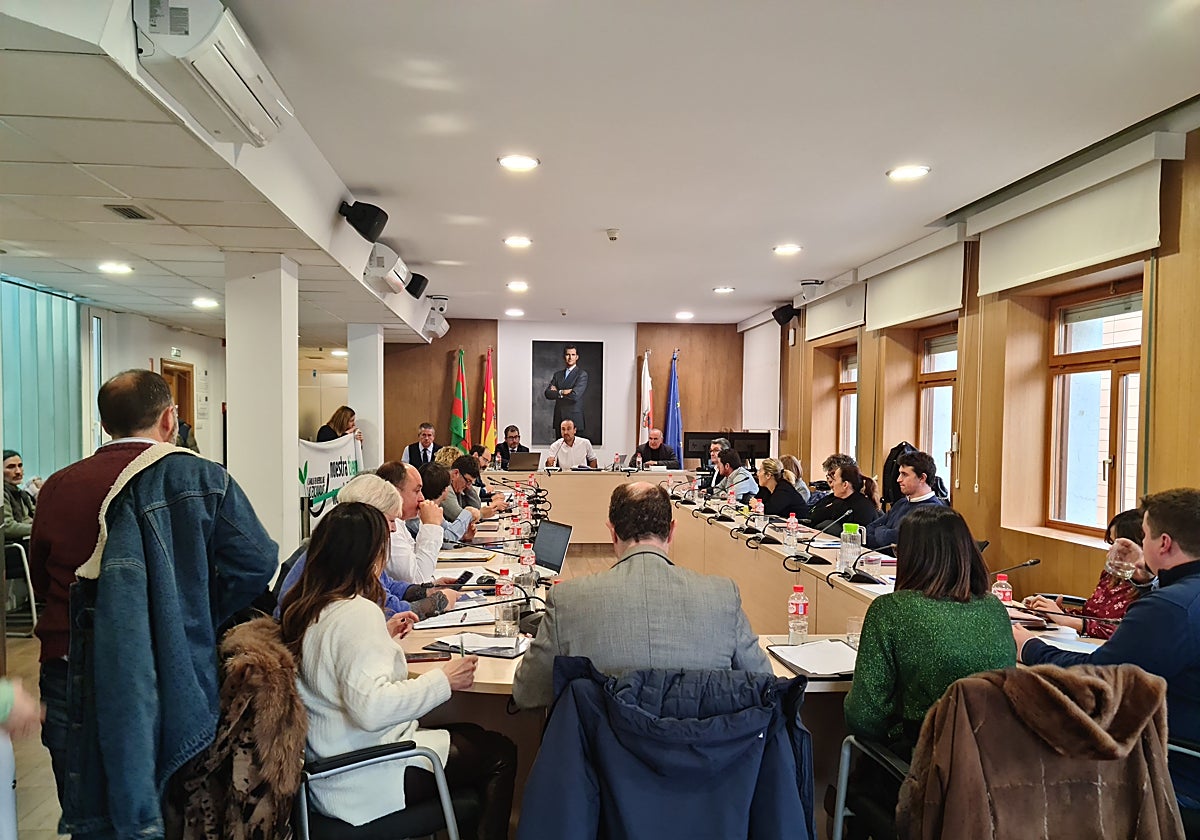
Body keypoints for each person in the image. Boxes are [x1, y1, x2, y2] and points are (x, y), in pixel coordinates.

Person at [31, 369, 277, 836]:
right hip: (171, 665)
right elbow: (257, 561)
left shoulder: (59, 485)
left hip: (69, 668)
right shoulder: (203, 477)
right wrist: (197, 612)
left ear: (106, 425)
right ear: (169, 419)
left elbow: (45, 580)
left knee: (92, 815)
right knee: (171, 809)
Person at [279, 502, 516, 836]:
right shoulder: (356, 612)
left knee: (474, 737)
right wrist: (444, 680)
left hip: (328, 773)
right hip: (365, 778)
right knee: (500, 753)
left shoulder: (308, 607)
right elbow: (372, 709)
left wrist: (382, 634)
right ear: (370, 556)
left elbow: (336, 664)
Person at [1014, 488, 1200, 810]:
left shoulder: (1168, 609)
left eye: (1145, 536)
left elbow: (1096, 677)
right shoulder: (1178, 598)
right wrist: (1146, 575)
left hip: (1174, 770)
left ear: (1164, 544)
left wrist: (1029, 647)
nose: (1141, 545)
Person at [512, 482, 771, 709]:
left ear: (612, 532)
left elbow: (527, 694)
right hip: (705, 749)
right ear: (672, 531)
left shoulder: (567, 600)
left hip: (600, 750)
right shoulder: (723, 597)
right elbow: (765, 684)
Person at [843, 506, 1015, 830]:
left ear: (910, 555)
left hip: (919, 775)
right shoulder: (995, 609)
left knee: (856, 770)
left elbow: (864, 717)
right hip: (993, 776)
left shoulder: (891, 609)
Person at [273, 473, 456, 620]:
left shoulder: (346, 543)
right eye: (391, 520)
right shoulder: (347, 554)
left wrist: (426, 590)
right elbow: (384, 609)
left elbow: (387, 585)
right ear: (369, 517)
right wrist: (437, 602)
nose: (394, 529)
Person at [1020, 508, 1151, 640]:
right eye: (1112, 543)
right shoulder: (1111, 576)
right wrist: (1052, 612)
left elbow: (1127, 633)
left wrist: (1065, 619)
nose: (1112, 551)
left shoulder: (1153, 588)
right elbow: (1090, 616)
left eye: (1120, 546)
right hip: (1084, 642)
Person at [864, 450, 946, 549]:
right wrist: (885, 535)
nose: (898, 479)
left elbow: (899, 542)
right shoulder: (901, 503)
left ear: (922, 478)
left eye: (904, 474)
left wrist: (881, 531)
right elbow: (869, 530)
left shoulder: (933, 512)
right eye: (899, 474)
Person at [377, 460, 443, 583]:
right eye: (417, 491)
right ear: (395, 492)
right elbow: (418, 580)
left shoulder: (399, 522)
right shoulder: (389, 527)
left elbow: (416, 561)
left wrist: (433, 585)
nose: (422, 498)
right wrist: (431, 526)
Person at [805, 464, 881, 532]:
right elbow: (813, 516)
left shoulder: (861, 507)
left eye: (835, 480)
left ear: (845, 485)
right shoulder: (837, 499)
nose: (832, 485)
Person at [419, 462, 478, 544]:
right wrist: (468, 513)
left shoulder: (433, 507)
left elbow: (448, 528)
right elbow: (447, 540)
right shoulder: (419, 513)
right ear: (445, 489)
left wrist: (463, 536)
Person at [544, 344, 589, 436]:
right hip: (559, 418)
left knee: (576, 445)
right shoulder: (557, 375)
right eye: (568, 354)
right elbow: (548, 393)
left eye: (573, 355)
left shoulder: (582, 374)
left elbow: (575, 396)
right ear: (564, 356)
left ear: (577, 357)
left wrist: (557, 392)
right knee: (559, 445)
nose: (570, 357)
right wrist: (563, 392)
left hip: (574, 420)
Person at [2, 449, 35, 541]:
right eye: (11, 467)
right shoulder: (2, 494)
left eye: (20, 466)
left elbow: (37, 513)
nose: (18, 471)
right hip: (18, 544)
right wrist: (39, 529)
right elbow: (7, 527)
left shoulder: (20, 492)